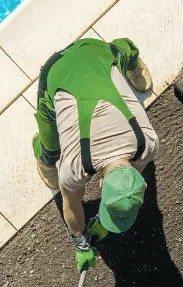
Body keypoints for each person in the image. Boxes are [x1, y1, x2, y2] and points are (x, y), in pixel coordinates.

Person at [33, 37, 160, 272]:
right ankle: (43, 156)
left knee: (120, 54)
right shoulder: (74, 167)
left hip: (98, 57)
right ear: (100, 186)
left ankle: (130, 62)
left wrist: (104, 218)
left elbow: (136, 171)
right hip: (60, 69)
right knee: (51, 148)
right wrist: (79, 241)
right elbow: (71, 204)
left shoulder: (148, 145)